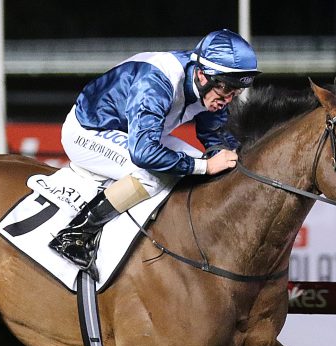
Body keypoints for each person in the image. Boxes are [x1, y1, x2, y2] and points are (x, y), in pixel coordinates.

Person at [48, 29, 260, 279]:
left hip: (136, 133)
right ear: (202, 75)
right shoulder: (157, 81)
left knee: (199, 165)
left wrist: (235, 160)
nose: (227, 100)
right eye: (226, 91)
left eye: (236, 92)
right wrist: (205, 166)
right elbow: (144, 154)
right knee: (152, 176)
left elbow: (214, 137)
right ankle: (73, 235)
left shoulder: (210, 84)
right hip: (89, 131)